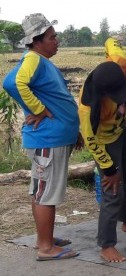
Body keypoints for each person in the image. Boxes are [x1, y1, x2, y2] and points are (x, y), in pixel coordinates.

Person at [2, 13, 80, 261]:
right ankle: (46, 248)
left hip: (55, 137)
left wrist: (72, 129)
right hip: (48, 139)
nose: (56, 41)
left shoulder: (40, 60)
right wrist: (38, 109)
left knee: (43, 191)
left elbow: (57, 99)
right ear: (37, 41)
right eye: (51, 37)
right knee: (46, 193)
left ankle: (44, 238)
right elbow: (12, 83)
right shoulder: (33, 59)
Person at [78, 47, 126, 263]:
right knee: (113, 190)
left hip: (121, 131)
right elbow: (91, 141)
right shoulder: (88, 109)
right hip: (104, 142)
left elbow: (111, 42)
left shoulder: (119, 60)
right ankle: (106, 244)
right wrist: (110, 169)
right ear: (103, 93)